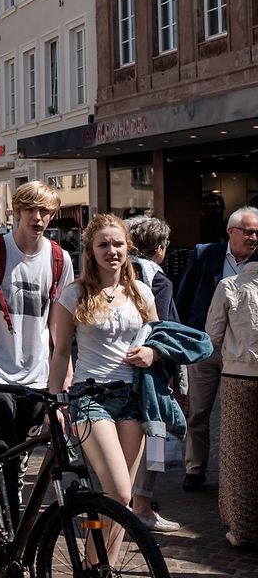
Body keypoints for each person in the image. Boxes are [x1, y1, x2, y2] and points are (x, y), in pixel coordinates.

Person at [0, 181, 73, 518]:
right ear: (17, 211)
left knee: (22, 456)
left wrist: (66, 371)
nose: (38, 217)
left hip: (37, 376)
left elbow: (57, 322)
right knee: (5, 454)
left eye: (45, 211)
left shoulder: (59, 259)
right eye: (31, 210)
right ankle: (7, 525)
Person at [47, 215, 160, 545]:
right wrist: (55, 400)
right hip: (90, 397)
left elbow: (159, 337)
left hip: (133, 397)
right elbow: (61, 351)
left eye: (118, 244)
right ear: (90, 250)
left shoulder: (140, 292)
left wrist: (153, 354)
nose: (112, 250)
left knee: (120, 502)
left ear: (128, 247)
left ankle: (100, 567)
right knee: (120, 490)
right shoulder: (74, 294)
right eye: (104, 244)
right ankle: (94, 558)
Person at [175, 205, 258, 491]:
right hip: (205, 346)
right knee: (199, 410)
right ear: (231, 232)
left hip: (243, 354)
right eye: (248, 231)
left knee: (238, 416)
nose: (254, 237)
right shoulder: (206, 254)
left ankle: (236, 473)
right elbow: (184, 295)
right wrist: (185, 336)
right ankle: (195, 468)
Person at [122, 215, 181, 531]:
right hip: (149, 371)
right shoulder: (158, 281)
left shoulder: (116, 272)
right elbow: (165, 330)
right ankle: (143, 504)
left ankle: (125, 500)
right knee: (156, 437)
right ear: (159, 248)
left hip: (112, 369)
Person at [205, 251, 258, 548]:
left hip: (239, 376)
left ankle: (242, 529)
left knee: (239, 455)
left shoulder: (229, 285)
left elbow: (212, 334)